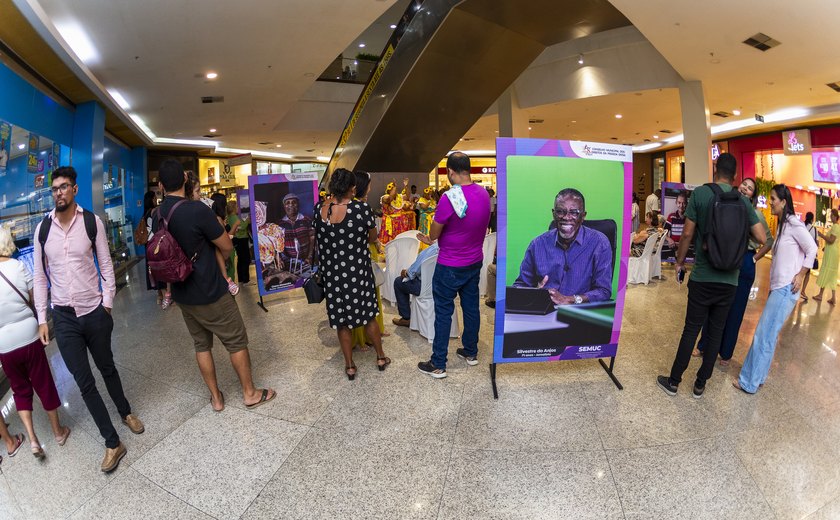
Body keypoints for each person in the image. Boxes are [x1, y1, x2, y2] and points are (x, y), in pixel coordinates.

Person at [34, 166, 143, 472]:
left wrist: (107, 304)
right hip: (64, 318)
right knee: (84, 383)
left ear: (75, 190)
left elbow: (106, 265)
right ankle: (112, 443)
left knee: (107, 367)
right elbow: (41, 279)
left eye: (64, 186)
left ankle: (125, 411)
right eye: (54, 188)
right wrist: (43, 318)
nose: (59, 192)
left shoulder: (91, 222)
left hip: (94, 311)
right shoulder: (43, 230)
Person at [153, 159, 275, 411]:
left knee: (201, 345)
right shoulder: (197, 210)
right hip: (211, 290)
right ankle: (250, 393)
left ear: (161, 185)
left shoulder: (157, 215)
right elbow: (227, 248)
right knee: (236, 341)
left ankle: (216, 399)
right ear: (186, 181)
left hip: (182, 293)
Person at [657, 153, 765, 398]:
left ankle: (673, 381)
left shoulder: (702, 194)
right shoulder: (743, 201)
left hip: (703, 276)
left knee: (691, 329)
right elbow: (761, 237)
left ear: (715, 168)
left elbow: (686, 234)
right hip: (730, 281)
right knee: (716, 331)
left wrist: (680, 263)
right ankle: (700, 385)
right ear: (736, 175)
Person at [734, 184, 817, 393]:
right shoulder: (783, 225)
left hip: (786, 289)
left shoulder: (794, 225)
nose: (769, 202)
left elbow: (812, 249)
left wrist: (801, 274)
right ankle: (758, 377)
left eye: (772, 199)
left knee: (763, 334)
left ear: (783, 202)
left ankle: (748, 382)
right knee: (769, 336)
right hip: (779, 288)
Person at [417, 152, 491, 378]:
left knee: (443, 312)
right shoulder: (484, 194)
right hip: (474, 261)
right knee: (471, 307)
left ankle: (438, 363)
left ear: (450, 171)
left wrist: (429, 238)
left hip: (450, 264)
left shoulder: (449, 198)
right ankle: (470, 352)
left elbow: (435, 233)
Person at [0, 226, 70, 459]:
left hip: (5, 345)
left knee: (20, 389)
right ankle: (58, 433)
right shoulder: (18, 266)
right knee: (43, 382)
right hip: (29, 336)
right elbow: (33, 299)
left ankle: (31, 439)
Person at [314, 168, 390, 380]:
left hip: (333, 276)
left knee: (341, 322)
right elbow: (371, 236)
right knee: (369, 317)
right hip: (358, 273)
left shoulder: (319, 208)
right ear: (351, 187)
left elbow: (319, 238)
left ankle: (349, 365)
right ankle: (381, 357)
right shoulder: (361, 209)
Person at [693, 177, 773, 366]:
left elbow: (768, 240)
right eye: (744, 184)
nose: (745, 188)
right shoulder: (724, 204)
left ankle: (726, 352)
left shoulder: (755, 214)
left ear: (753, 195)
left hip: (744, 261)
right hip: (724, 256)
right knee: (715, 303)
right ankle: (704, 344)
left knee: (735, 310)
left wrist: (753, 258)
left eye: (750, 188)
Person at [513, 188, 612, 305]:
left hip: (581, 313)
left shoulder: (599, 243)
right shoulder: (537, 244)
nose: (566, 217)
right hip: (544, 309)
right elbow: (519, 287)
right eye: (560, 211)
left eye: (574, 212)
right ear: (554, 214)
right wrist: (534, 292)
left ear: (583, 216)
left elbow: (604, 291)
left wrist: (571, 299)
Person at [350, 169, 388, 350]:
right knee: (367, 295)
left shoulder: (351, 206)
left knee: (369, 293)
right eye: (369, 184)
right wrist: (376, 240)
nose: (371, 188)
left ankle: (375, 331)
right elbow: (370, 235)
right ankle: (365, 336)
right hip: (363, 253)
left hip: (364, 252)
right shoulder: (359, 208)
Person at [392, 241, 440, 327]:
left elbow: (412, 272)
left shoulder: (432, 249)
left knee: (398, 282)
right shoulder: (452, 247)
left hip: (424, 288)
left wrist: (405, 272)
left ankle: (406, 318)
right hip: (443, 287)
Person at [277, 193, 315, 274]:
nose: (291, 205)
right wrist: (279, 259)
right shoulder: (279, 224)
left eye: (294, 202)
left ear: (298, 204)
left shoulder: (306, 220)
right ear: (284, 206)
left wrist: (310, 256)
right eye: (287, 203)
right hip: (288, 263)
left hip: (306, 261)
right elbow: (277, 244)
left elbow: (313, 239)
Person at [142, 190, 167, 305]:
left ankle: (159, 295)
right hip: (155, 244)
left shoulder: (144, 214)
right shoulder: (155, 211)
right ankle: (165, 294)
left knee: (152, 269)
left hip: (148, 246)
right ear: (152, 200)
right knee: (159, 267)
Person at [814, 208, 840, 304]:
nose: (831, 217)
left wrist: (821, 235)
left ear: (836, 217)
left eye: (832, 216)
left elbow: (831, 240)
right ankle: (833, 298)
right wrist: (825, 247)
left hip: (831, 254)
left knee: (826, 271)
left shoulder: (835, 227)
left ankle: (821, 295)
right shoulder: (837, 227)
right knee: (832, 275)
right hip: (833, 252)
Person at [378, 179, 413, 244]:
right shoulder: (384, 197)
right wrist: (394, 187)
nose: (394, 191)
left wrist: (406, 186)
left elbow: (408, 195)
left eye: (394, 189)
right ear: (388, 191)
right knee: (390, 242)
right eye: (392, 189)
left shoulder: (399, 197)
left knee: (399, 241)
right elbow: (390, 198)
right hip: (390, 224)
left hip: (400, 224)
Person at [228, 201, 252, 286]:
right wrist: (247, 221)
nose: (238, 208)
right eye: (237, 207)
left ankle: (241, 278)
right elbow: (242, 226)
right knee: (245, 259)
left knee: (240, 259)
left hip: (236, 240)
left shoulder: (229, 217)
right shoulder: (234, 217)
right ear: (233, 208)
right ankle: (246, 280)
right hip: (241, 239)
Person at [801, 212, 819, 301]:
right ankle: (803, 291)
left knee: (796, 271)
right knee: (807, 273)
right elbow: (817, 243)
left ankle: (792, 289)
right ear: (812, 219)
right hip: (808, 254)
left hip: (800, 253)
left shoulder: (801, 226)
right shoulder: (814, 230)